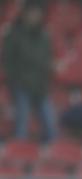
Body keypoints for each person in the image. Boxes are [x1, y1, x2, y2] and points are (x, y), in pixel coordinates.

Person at [2, 1, 55, 141]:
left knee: (50, 123)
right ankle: (18, 154)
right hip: (21, 84)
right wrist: (15, 80)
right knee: (22, 123)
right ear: (24, 14)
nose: (35, 16)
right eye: (32, 12)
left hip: (40, 86)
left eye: (37, 13)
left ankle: (49, 153)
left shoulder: (44, 36)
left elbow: (46, 59)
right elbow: (8, 61)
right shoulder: (13, 34)